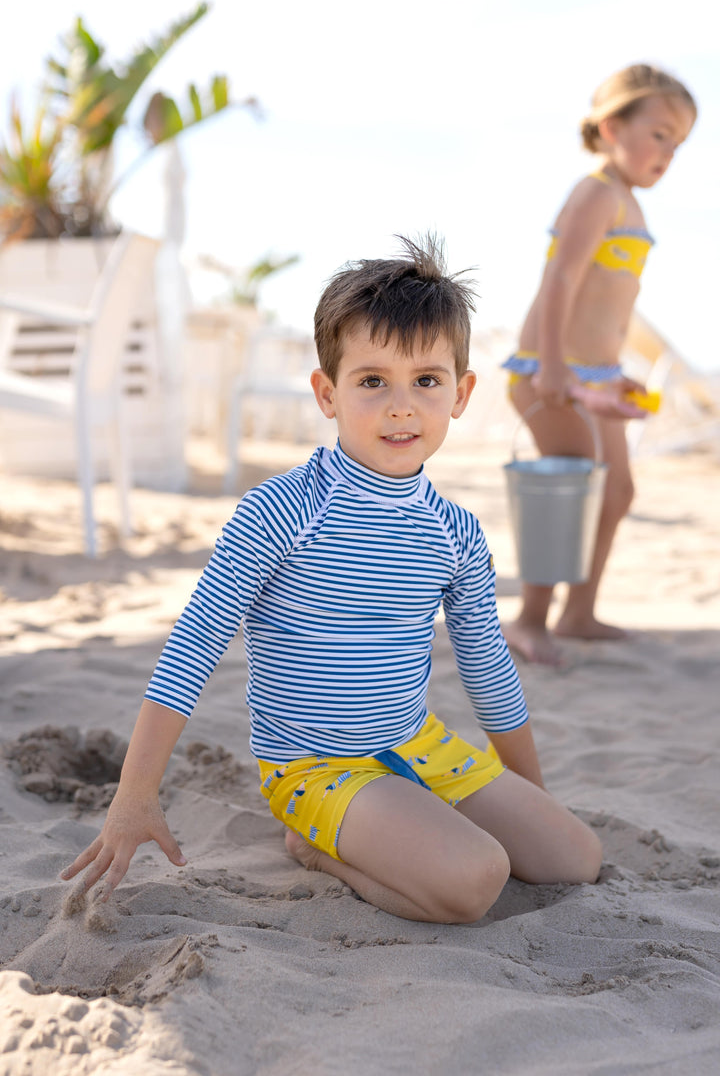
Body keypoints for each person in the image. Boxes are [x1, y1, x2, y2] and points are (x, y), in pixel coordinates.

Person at [61, 235, 602, 924]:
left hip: (415, 742)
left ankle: (414, 822)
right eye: (372, 381)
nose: (401, 407)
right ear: (328, 391)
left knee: (573, 858)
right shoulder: (284, 510)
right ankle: (314, 845)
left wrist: (531, 799)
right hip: (314, 765)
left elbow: (489, 668)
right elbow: (193, 646)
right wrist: (134, 796)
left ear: (461, 394)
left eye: (426, 381)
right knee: (476, 881)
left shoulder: (456, 533)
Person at [501, 64, 697, 667]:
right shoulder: (597, 193)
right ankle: (529, 618)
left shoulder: (631, 206)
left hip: (594, 376)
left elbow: (609, 309)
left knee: (618, 488)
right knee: (567, 483)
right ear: (613, 126)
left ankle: (578, 612)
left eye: (680, 143)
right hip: (548, 367)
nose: (669, 152)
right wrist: (554, 367)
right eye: (660, 133)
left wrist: (612, 373)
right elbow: (560, 281)